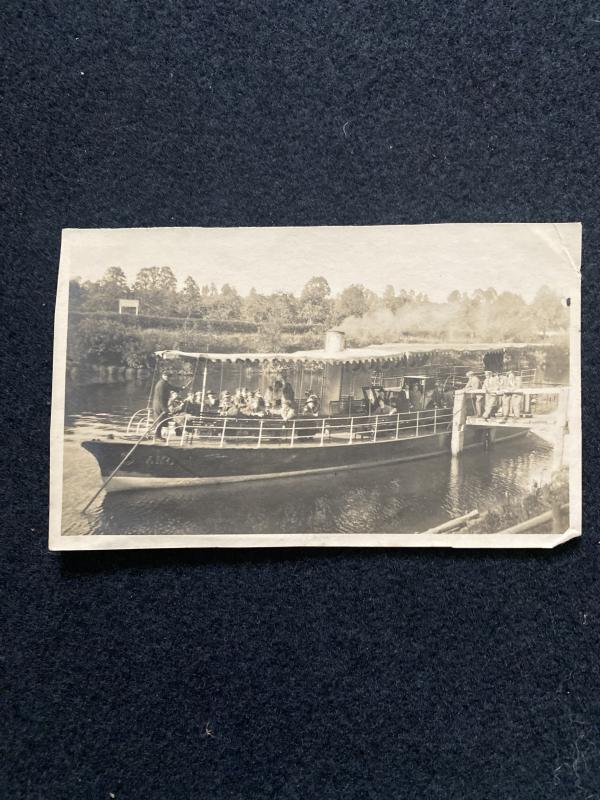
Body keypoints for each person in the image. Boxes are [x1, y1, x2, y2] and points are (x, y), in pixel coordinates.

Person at [152, 372, 180, 439]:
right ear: (163, 376)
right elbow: (160, 397)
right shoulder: (161, 384)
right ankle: (157, 436)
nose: (167, 377)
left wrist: (180, 388)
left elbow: (172, 387)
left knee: (161, 420)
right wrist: (164, 408)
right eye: (166, 375)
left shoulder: (165, 383)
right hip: (159, 404)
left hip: (162, 404)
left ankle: (158, 435)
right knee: (159, 420)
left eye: (169, 376)